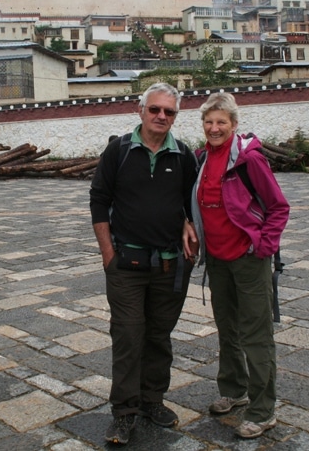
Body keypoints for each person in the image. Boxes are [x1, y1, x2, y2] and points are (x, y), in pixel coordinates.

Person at [90, 82, 199, 445]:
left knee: (158, 337)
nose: (161, 116)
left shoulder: (183, 156)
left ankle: (152, 400)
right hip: (126, 265)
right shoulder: (118, 151)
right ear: (140, 110)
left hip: (170, 266)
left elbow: (192, 203)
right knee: (127, 336)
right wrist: (108, 254)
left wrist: (188, 223)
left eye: (169, 112)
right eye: (155, 109)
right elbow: (98, 201)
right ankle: (124, 412)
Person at [183, 92, 289, 439]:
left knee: (256, 335)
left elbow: (278, 207)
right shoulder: (201, 158)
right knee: (227, 328)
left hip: (247, 258)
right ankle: (234, 389)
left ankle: (263, 409)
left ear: (233, 124)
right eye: (209, 122)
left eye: (221, 122)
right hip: (217, 258)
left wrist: (263, 245)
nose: (214, 128)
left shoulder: (249, 160)